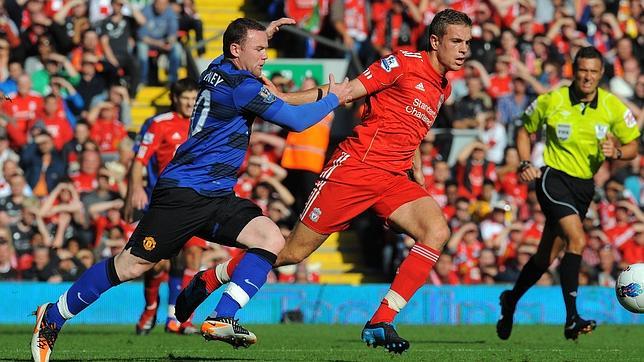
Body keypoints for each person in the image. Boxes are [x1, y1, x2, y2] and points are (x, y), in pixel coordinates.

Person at [31, 16, 351, 361]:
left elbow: (275, 93)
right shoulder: (241, 86)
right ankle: (53, 315)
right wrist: (336, 97)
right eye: (259, 49)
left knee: (270, 238)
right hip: (184, 192)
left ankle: (221, 316)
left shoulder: (217, 67)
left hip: (217, 195)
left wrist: (260, 37)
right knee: (130, 266)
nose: (265, 56)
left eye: (266, 49)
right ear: (235, 50)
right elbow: (298, 120)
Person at [177, 9, 472, 354]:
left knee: (436, 231)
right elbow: (345, 91)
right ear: (435, 42)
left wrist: (416, 168)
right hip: (355, 170)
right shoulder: (402, 63)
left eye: (467, 42)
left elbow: (411, 127)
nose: (464, 49)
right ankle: (211, 279)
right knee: (290, 253)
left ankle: (380, 321)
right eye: (456, 41)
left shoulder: (443, 86)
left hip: (393, 177)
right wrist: (286, 100)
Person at [496, 46, 640, 342]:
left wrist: (617, 151)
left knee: (545, 256)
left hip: (584, 188)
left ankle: (511, 300)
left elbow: (633, 146)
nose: (587, 77)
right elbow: (524, 130)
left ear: (601, 74)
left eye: (593, 71)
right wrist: (525, 162)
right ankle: (572, 317)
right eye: (582, 70)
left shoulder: (613, 107)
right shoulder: (553, 99)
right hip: (553, 178)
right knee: (577, 239)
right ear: (574, 71)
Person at [123, 78, 205, 335]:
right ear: (174, 98)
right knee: (157, 264)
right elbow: (139, 161)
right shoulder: (160, 124)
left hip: (197, 201)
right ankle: (150, 308)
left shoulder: (204, 124)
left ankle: (178, 319)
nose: (190, 103)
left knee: (192, 257)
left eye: (194, 98)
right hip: (165, 203)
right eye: (185, 98)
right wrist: (135, 189)